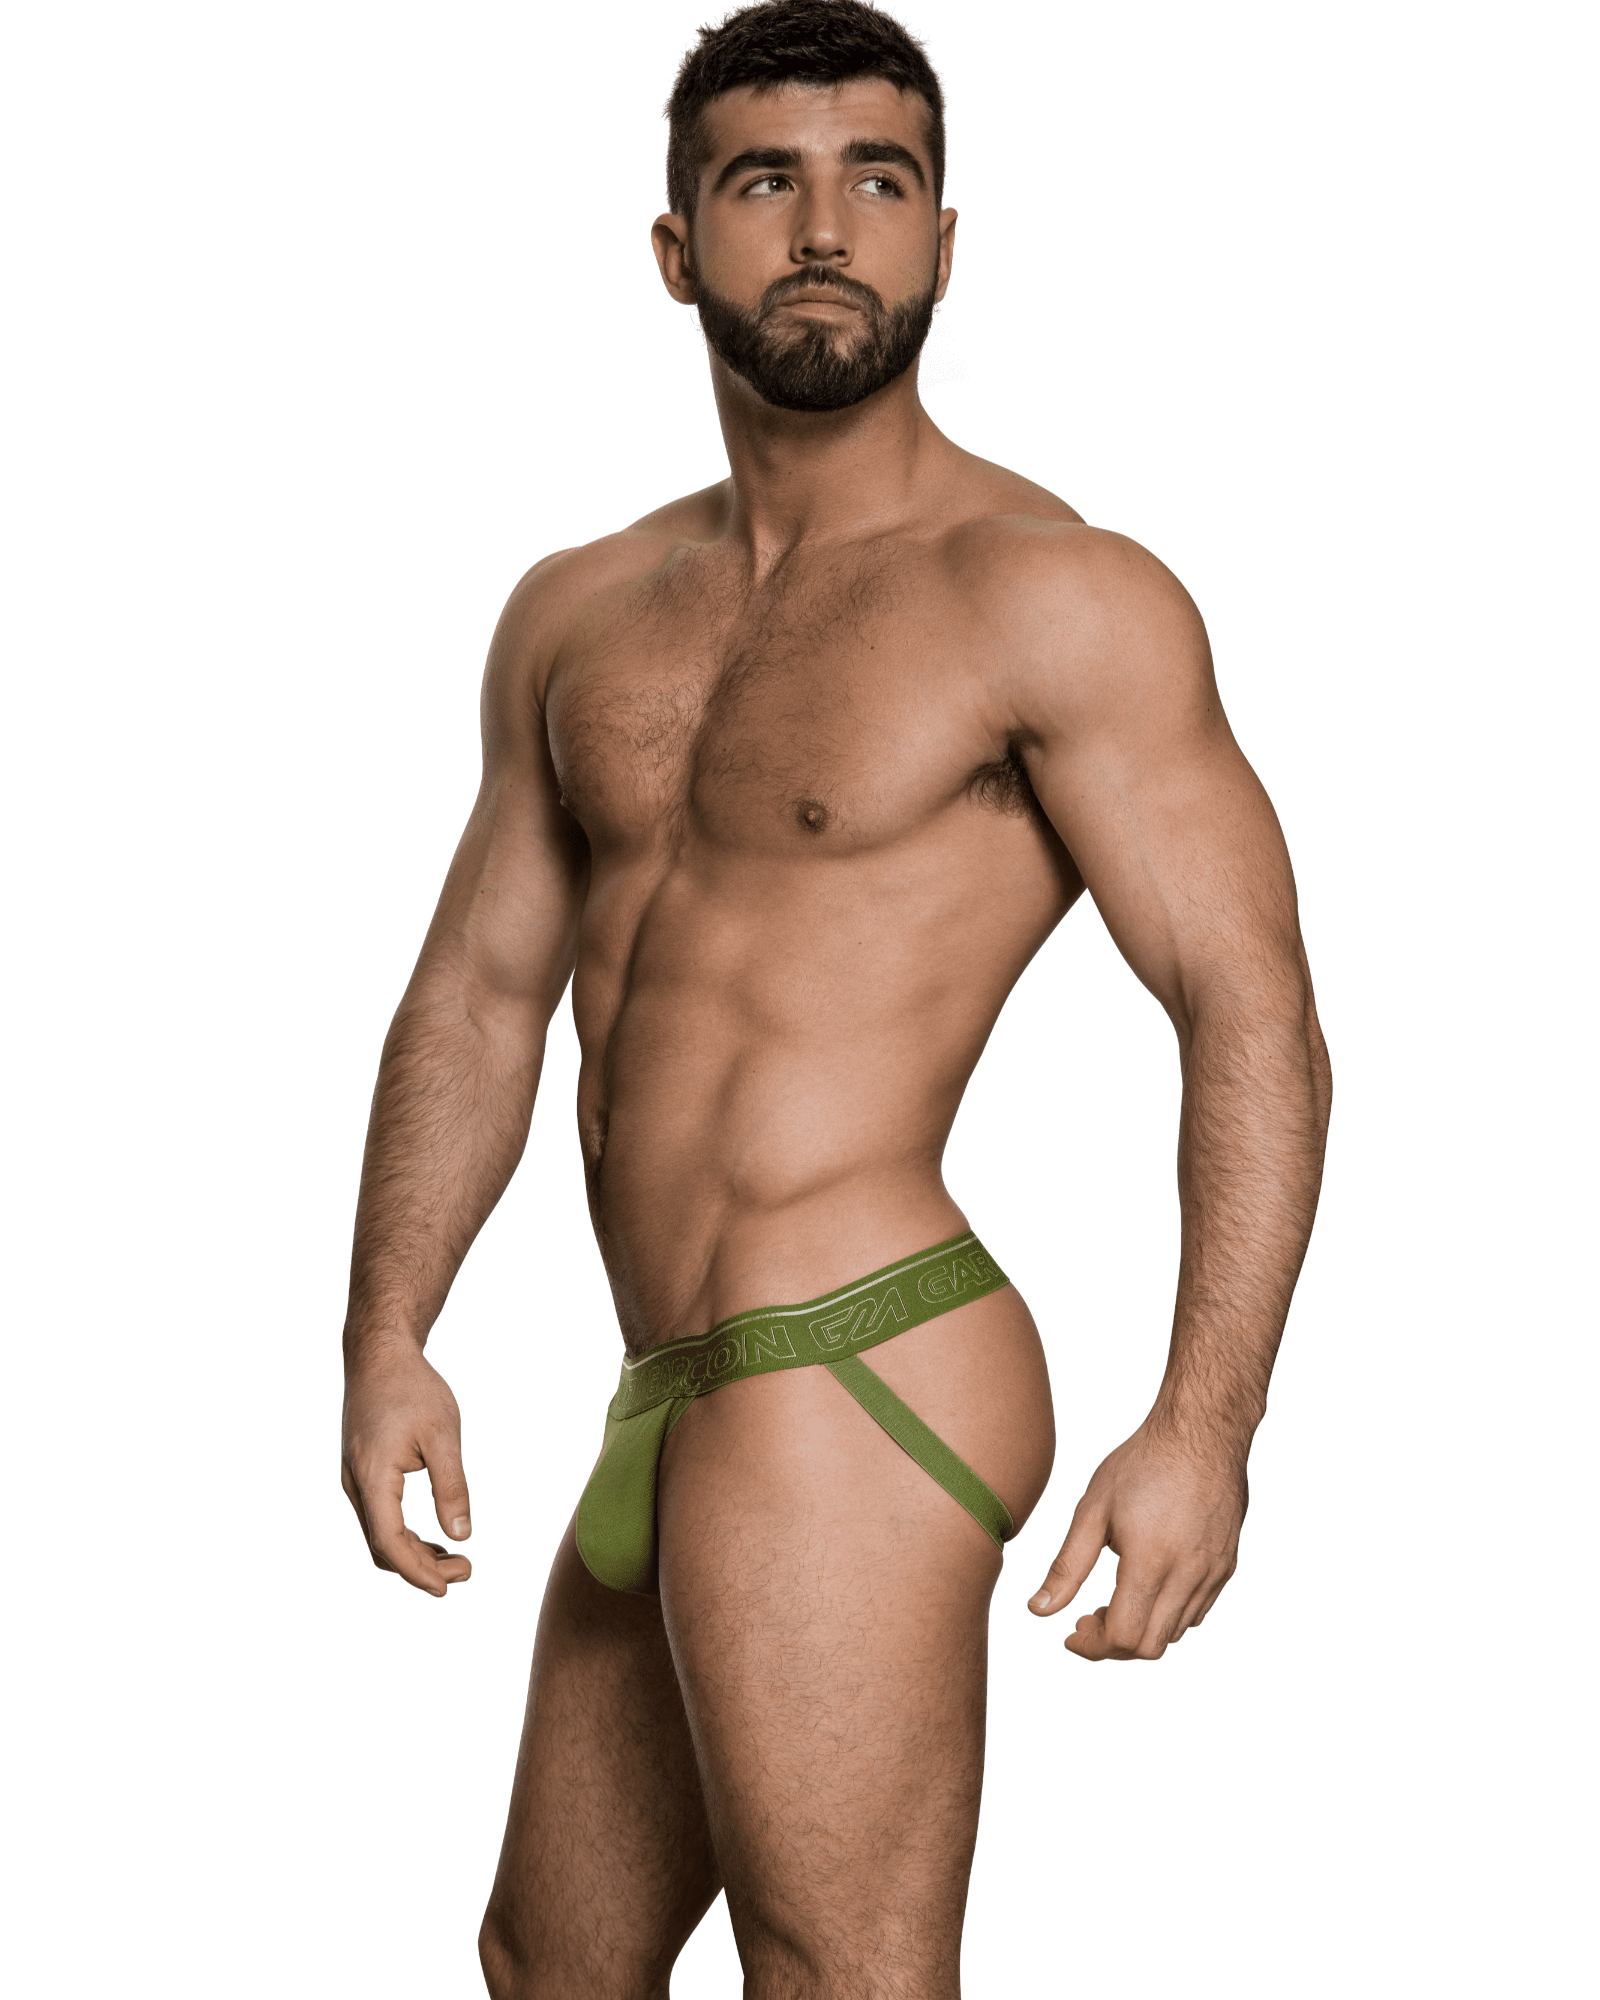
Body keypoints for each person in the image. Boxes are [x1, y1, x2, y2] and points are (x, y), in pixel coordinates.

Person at [338, 2, 1332, 1992]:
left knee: (840, 1970)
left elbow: (1249, 1012)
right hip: (669, 1378)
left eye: (875, 181)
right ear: (674, 245)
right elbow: (478, 993)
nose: (820, 228)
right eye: (761, 182)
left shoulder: (1050, 594)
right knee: (550, 1961)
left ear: (940, 240)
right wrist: (388, 1330)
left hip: (852, 1353)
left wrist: (1203, 1426)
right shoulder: (578, 611)